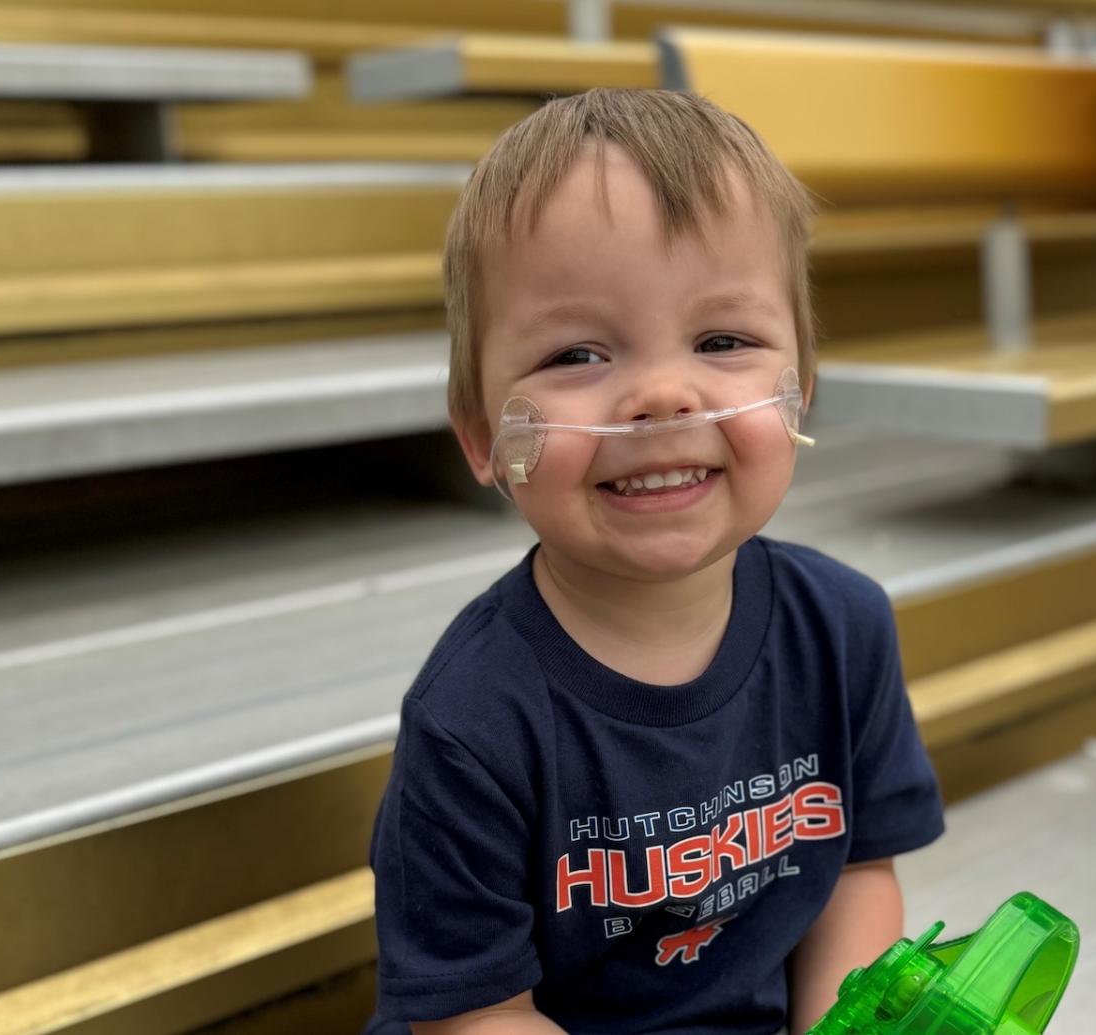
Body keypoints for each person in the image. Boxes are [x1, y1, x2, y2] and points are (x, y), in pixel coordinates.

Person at [363, 88, 944, 1035]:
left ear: (799, 390)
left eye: (722, 341)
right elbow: (475, 1015)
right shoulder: (473, 720)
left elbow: (857, 873)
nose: (665, 396)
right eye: (578, 353)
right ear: (480, 435)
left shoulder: (842, 627)